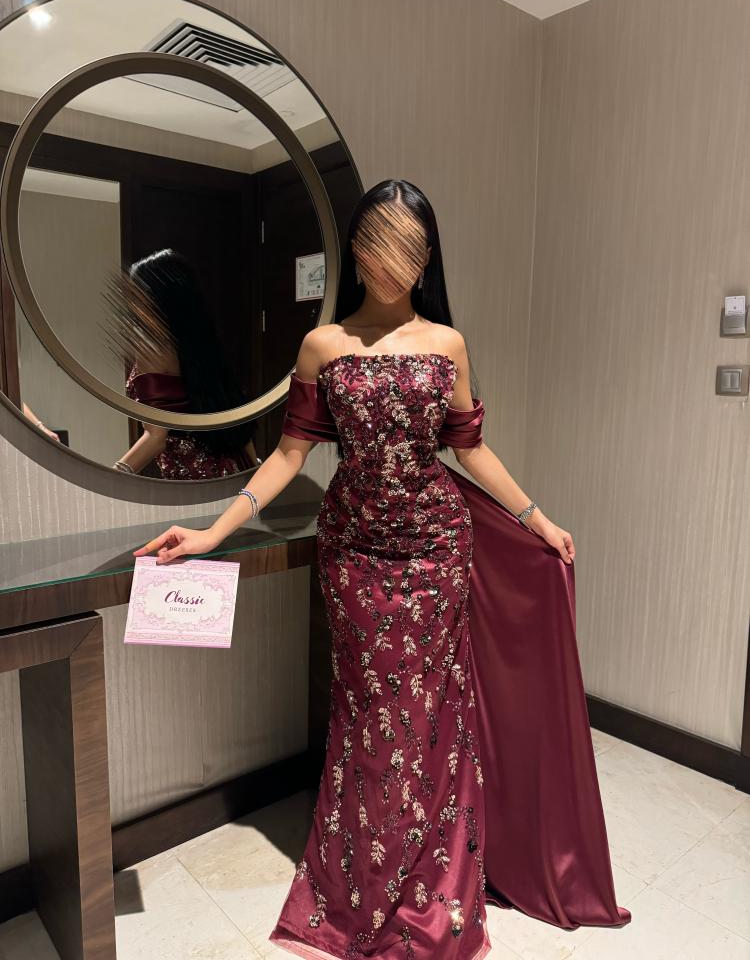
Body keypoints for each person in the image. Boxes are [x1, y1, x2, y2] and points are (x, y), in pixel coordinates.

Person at [134, 180, 631, 958]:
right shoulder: (323, 344)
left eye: (409, 246)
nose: (392, 260)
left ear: (427, 256)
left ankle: (433, 886)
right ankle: (368, 878)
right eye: (377, 242)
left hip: (436, 551)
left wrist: (538, 518)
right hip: (354, 555)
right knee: (371, 716)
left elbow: (469, 450)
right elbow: (287, 456)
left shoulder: (447, 343)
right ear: (356, 250)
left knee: (428, 717)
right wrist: (210, 533)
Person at [107, 248, 259, 478]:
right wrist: (255, 471)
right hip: (233, 471)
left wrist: (113, 476)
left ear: (156, 298)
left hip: (193, 480)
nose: (133, 305)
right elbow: (234, 415)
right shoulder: (203, 343)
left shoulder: (152, 349)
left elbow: (156, 437)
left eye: (138, 296)